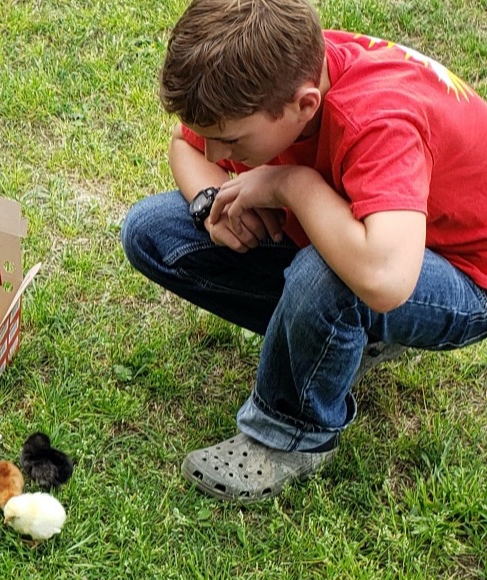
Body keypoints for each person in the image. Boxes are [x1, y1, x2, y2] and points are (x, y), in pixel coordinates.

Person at [121, 0, 487, 503]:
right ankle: (337, 343)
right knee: (154, 230)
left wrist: (292, 184)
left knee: (331, 274)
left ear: (305, 106)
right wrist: (212, 205)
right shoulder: (277, 72)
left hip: (463, 275)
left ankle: (291, 434)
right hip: (376, 234)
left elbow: (387, 277)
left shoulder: (378, 119)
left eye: (228, 140)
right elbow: (183, 148)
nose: (214, 155)